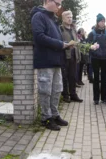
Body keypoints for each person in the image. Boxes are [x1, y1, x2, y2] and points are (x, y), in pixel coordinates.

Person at [31, 0, 69, 131]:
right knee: (45, 91)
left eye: (60, 4)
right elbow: (39, 37)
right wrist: (60, 44)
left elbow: (56, 39)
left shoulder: (53, 19)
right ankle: (46, 118)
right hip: (45, 61)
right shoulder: (38, 16)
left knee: (57, 89)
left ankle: (54, 114)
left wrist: (64, 43)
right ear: (47, 1)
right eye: (57, 4)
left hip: (56, 61)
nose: (59, 7)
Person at [60, 11, 83, 103]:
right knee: (64, 76)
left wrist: (78, 54)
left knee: (73, 76)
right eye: (68, 17)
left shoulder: (73, 30)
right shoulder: (60, 29)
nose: (70, 19)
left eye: (71, 17)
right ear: (63, 18)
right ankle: (65, 95)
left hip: (74, 55)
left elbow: (77, 43)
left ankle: (73, 94)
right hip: (65, 55)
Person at [87, 13, 106, 105]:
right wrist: (92, 50)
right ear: (97, 22)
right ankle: (96, 99)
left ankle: (104, 98)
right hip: (95, 58)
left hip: (105, 58)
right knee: (96, 78)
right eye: (101, 21)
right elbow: (88, 45)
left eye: (104, 21)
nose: (102, 23)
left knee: (104, 78)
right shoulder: (92, 33)